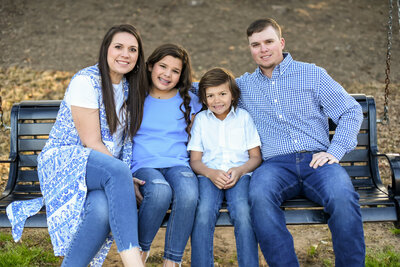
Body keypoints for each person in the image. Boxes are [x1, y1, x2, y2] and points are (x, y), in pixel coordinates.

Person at [7, 24, 147, 267]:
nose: (126, 54)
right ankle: (135, 263)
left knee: (102, 211)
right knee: (119, 172)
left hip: (99, 170)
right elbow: (90, 142)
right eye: (119, 47)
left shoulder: (128, 88)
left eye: (132, 49)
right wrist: (123, 176)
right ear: (106, 49)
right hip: (64, 161)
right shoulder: (86, 81)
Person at [234, 18, 366, 267]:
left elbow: (350, 111)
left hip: (317, 160)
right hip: (274, 166)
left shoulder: (312, 74)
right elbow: (207, 87)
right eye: (256, 44)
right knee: (259, 197)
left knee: (342, 196)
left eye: (269, 42)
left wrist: (334, 151)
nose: (263, 49)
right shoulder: (244, 86)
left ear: (281, 43)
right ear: (250, 49)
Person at [131, 43, 202, 266]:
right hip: (144, 165)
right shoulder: (135, 95)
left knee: (189, 193)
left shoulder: (191, 97)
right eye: (163, 66)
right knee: (160, 192)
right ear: (150, 66)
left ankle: (172, 261)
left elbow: (221, 89)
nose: (167, 74)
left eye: (175, 70)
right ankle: (139, 254)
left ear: (182, 75)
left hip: (178, 164)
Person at [188, 67, 262, 267]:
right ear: (203, 99)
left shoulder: (244, 118)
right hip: (208, 176)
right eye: (210, 95)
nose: (216, 100)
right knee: (202, 214)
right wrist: (211, 173)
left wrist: (239, 171)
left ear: (233, 95)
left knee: (244, 214)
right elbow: (195, 161)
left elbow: (255, 157)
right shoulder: (202, 121)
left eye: (222, 93)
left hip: (240, 175)